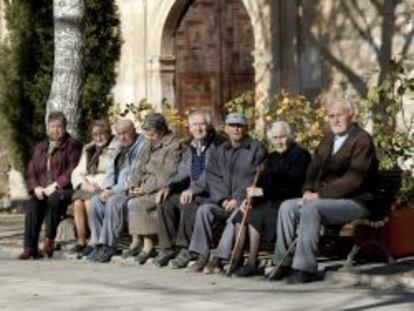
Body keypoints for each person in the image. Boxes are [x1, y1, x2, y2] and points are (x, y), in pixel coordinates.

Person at [271, 98, 378, 284]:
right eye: (331, 116)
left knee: (312, 209)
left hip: (357, 201)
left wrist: (319, 195)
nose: (335, 120)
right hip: (328, 200)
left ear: (351, 116)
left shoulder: (362, 140)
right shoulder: (328, 138)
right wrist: (307, 190)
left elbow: (354, 179)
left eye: (340, 115)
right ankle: (283, 262)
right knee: (287, 207)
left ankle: (305, 268)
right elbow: (313, 169)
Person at [228, 121, 310, 277]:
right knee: (242, 214)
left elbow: (294, 184)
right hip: (270, 199)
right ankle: (236, 259)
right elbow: (262, 182)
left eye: (282, 137)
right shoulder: (271, 158)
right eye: (275, 138)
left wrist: (263, 192)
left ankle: (252, 262)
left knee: (257, 215)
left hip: (289, 200)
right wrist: (250, 199)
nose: (279, 141)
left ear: (290, 136)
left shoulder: (300, 155)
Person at [187, 112, 267, 273]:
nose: (236, 129)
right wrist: (222, 199)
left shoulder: (256, 149)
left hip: (243, 202)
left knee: (235, 216)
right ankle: (202, 255)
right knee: (203, 210)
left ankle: (219, 257)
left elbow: (256, 178)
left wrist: (238, 199)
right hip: (222, 201)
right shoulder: (220, 150)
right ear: (226, 129)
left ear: (246, 128)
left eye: (240, 126)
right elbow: (212, 177)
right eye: (232, 126)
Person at [154, 110, 224, 268]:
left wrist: (193, 189)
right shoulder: (191, 145)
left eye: (202, 124)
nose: (199, 128)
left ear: (208, 126)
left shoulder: (218, 145)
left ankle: (186, 248)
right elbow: (183, 172)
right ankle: (167, 247)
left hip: (212, 193)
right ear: (189, 127)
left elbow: (212, 174)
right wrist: (169, 187)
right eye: (195, 125)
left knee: (189, 201)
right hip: (194, 190)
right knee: (165, 200)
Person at [18, 111, 82, 259]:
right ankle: (30, 247)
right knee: (32, 203)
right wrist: (36, 187)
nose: (56, 130)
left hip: (64, 190)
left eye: (59, 126)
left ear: (65, 127)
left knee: (54, 198)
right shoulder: (40, 146)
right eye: (52, 126)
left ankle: (49, 241)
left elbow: (72, 169)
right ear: (48, 128)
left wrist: (56, 185)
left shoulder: (73, 145)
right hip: (42, 189)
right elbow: (31, 169)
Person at [86, 119, 148, 262]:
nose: (122, 137)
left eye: (125, 133)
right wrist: (106, 189)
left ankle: (108, 245)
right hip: (116, 189)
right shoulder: (120, 147)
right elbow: (111, 172)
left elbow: (133, 176)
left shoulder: (141, 146)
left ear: (133, 130)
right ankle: (98, 243)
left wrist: (113, 191)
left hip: (131, 190)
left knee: (113, 201)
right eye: (119, 134)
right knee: (95, 201)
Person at [127, 113, 182, 264]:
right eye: (147, 135)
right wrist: (133, 184)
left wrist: (144, 189)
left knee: (139, 203)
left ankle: (148, 246)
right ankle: (136, 241)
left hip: (159, 189)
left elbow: (167, 176)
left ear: (162, 130)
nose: (150, 138)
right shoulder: (148, 143)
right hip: (144, 186)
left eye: (152, 134)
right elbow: (138, 168)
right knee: (130, 199)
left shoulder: (174, 146)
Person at [69, 120, 116, 254]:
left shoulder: (114, 148)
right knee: (78, 202)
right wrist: (83, 183)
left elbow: (114, 171)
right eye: (95, 135)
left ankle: (94, 240)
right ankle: (81, 240)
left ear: (108, 134)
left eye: (102, 134)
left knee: (89, 202)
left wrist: (97, 185)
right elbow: (77, 172)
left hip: (104, 186)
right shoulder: (88, 149)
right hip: (87, 185)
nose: (99, 138)